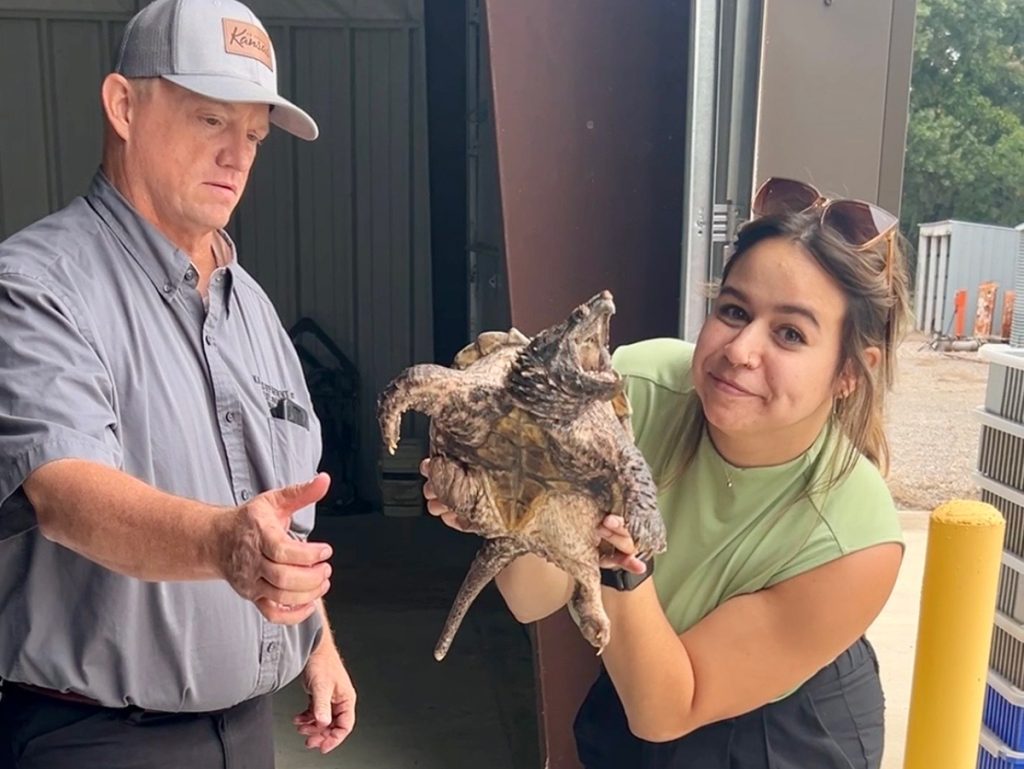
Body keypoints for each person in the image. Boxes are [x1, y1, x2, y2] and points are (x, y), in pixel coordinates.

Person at [424, 177, 910, 768]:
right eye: (734, 310)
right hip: (646, 664)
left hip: (786, 728)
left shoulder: (856, 539)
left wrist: (619, 563)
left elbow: (669, 709)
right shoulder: (641, 386)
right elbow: (531, 599)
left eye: (790, 333)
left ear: (849, 375)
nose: (740, 349)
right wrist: (509, 493)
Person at [0, 1, 355, 766]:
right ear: (124, 106)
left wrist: (316, 636)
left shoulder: (251, 307)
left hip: (246, 729)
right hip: (93, 737)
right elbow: (64, 491)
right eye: (209, 120)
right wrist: (223, 542)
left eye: (254, 134)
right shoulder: (37, 286)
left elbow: (280, 510)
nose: (237, 155)